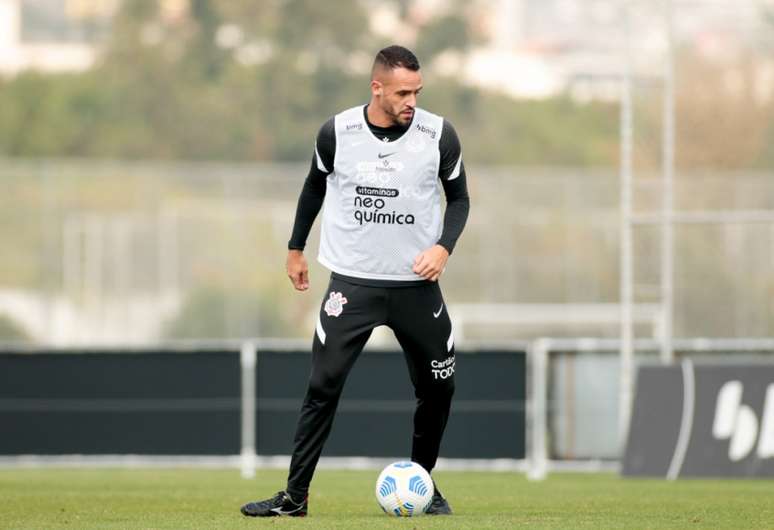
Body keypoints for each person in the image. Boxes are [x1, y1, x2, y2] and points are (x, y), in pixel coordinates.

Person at [240, 45, 470, 518]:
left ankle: (422, 486)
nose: (412, 101)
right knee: (322, 385)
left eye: (418, 92)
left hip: (415, 288)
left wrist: (443, 247)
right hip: (353, 286)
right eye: (403, 92)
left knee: (438, 389)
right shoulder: (337, 132)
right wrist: (295, 249)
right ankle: (294, 498)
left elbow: (460, 200)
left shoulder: (438, 135)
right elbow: (313, 186)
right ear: (377, 87)